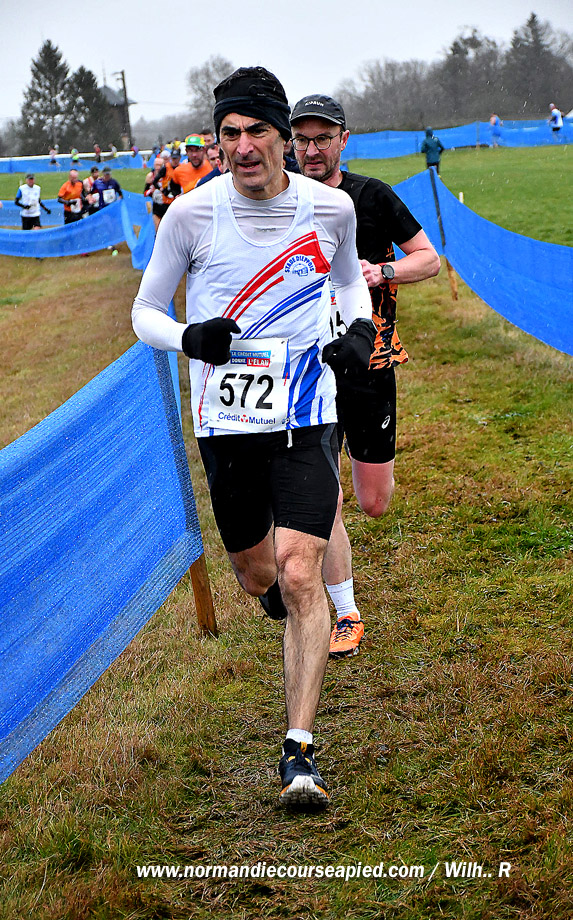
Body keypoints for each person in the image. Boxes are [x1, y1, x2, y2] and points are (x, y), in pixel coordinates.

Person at [132, 66, 375, 808]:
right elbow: (144, 311)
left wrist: (358, 329)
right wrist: (188, 336)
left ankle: (298, 753)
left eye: (256, 131)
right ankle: (287, 613)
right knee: (257, 574)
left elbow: (346, 282)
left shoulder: (330, 208)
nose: (242, 146)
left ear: (282, 136)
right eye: (229, 133)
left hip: (306, 412)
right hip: (228, 422)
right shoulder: (190, 215)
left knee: (301, 574)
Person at [291, 94, 440, 658]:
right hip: (305, 371)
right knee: (323, 498)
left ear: (343, 141)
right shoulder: (281, 201)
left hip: (369, 362)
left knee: (373, 501)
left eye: (322, 138)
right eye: (302, 139)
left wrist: (383, 271)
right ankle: (346, 610)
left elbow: (429, 258)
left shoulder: (372, 196)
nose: (311, 149)